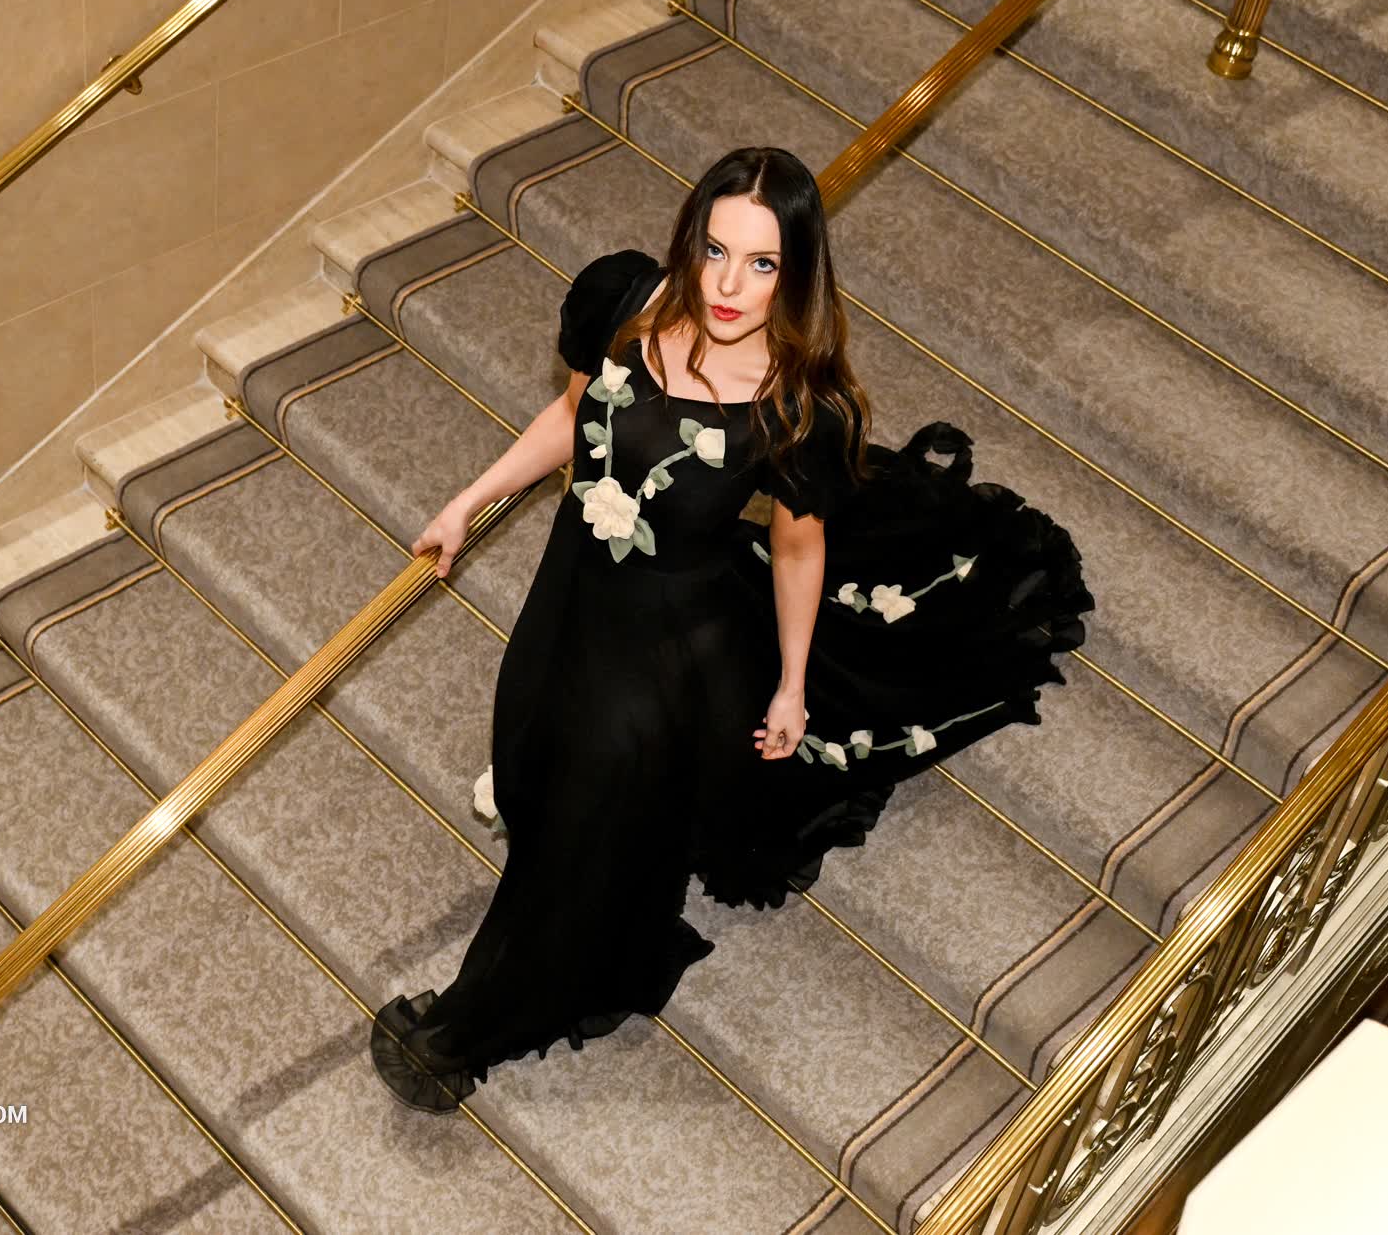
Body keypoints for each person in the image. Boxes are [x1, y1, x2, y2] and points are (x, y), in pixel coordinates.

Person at [370, 145, 1094, 1112]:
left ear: (794, 274)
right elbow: (573, 419)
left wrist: (792, 684)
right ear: (689, 239)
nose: (727, 285)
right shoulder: (624, 302)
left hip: (667, 652)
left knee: (584, 815)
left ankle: (472, 1025)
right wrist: (470, 501)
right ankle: (596, 887)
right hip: (571, 597)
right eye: (715, 251)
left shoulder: (798, 407)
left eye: (761, 265)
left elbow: (797, 550)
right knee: (533, 748)